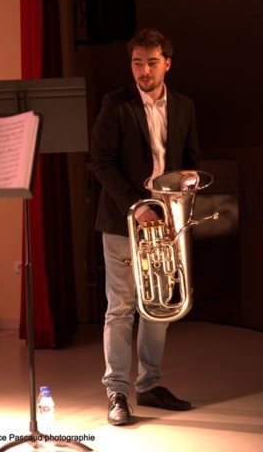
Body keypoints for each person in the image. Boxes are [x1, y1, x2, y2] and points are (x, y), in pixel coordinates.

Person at [90, 28, 201, 426]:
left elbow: (191, 160)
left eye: (152, 62)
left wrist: (182, 199)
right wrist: (137, 206)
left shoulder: (184, 106)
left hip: (166, 219)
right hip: (126, 218)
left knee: (159, 306)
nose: (144, 70)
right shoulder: (115, 104)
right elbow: (101, 162)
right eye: (137, 62)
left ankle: (150, 385)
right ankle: (117, 391)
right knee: (121, 308)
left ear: (167, 63)